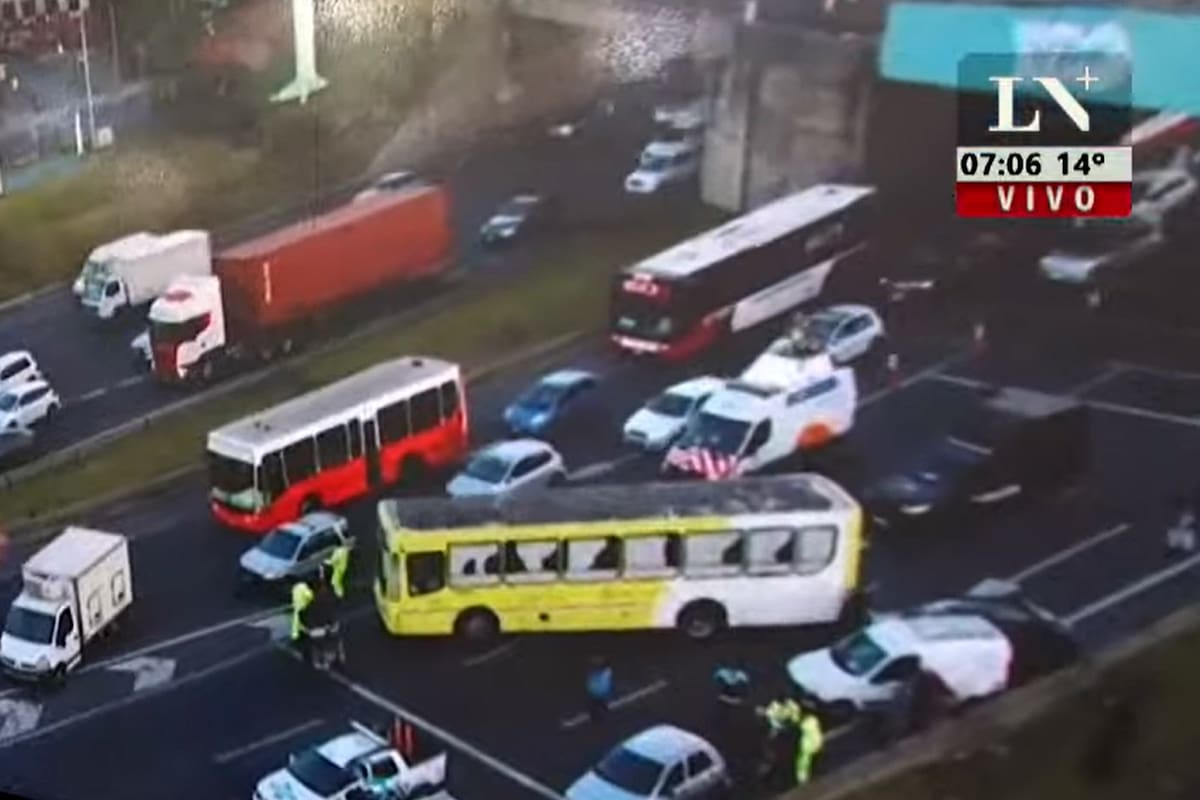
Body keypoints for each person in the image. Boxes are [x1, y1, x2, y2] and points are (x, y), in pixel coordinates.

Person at [794, 704, 825, 786]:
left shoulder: (804, 722)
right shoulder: (813, 719)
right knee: (813, 759)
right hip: (815, 741)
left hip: (809, 743)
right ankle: (813, 773)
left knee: (804, 760)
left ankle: (803, 777)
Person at [585, 656, 613, 722]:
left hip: (597, 693)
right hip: (600, 693)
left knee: (596, 705)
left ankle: (598, 716)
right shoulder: (606, 672)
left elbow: (591, 683)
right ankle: (602, 714)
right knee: (600, 704)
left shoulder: (600, 674)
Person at [290, 580, 315, 655]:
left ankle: (296, 636)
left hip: (297, 607)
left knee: (296, 623)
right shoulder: (305, 588)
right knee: (304, 623)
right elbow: (310, 597)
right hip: (304, 607)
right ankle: (304, 636)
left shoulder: (295, 588)